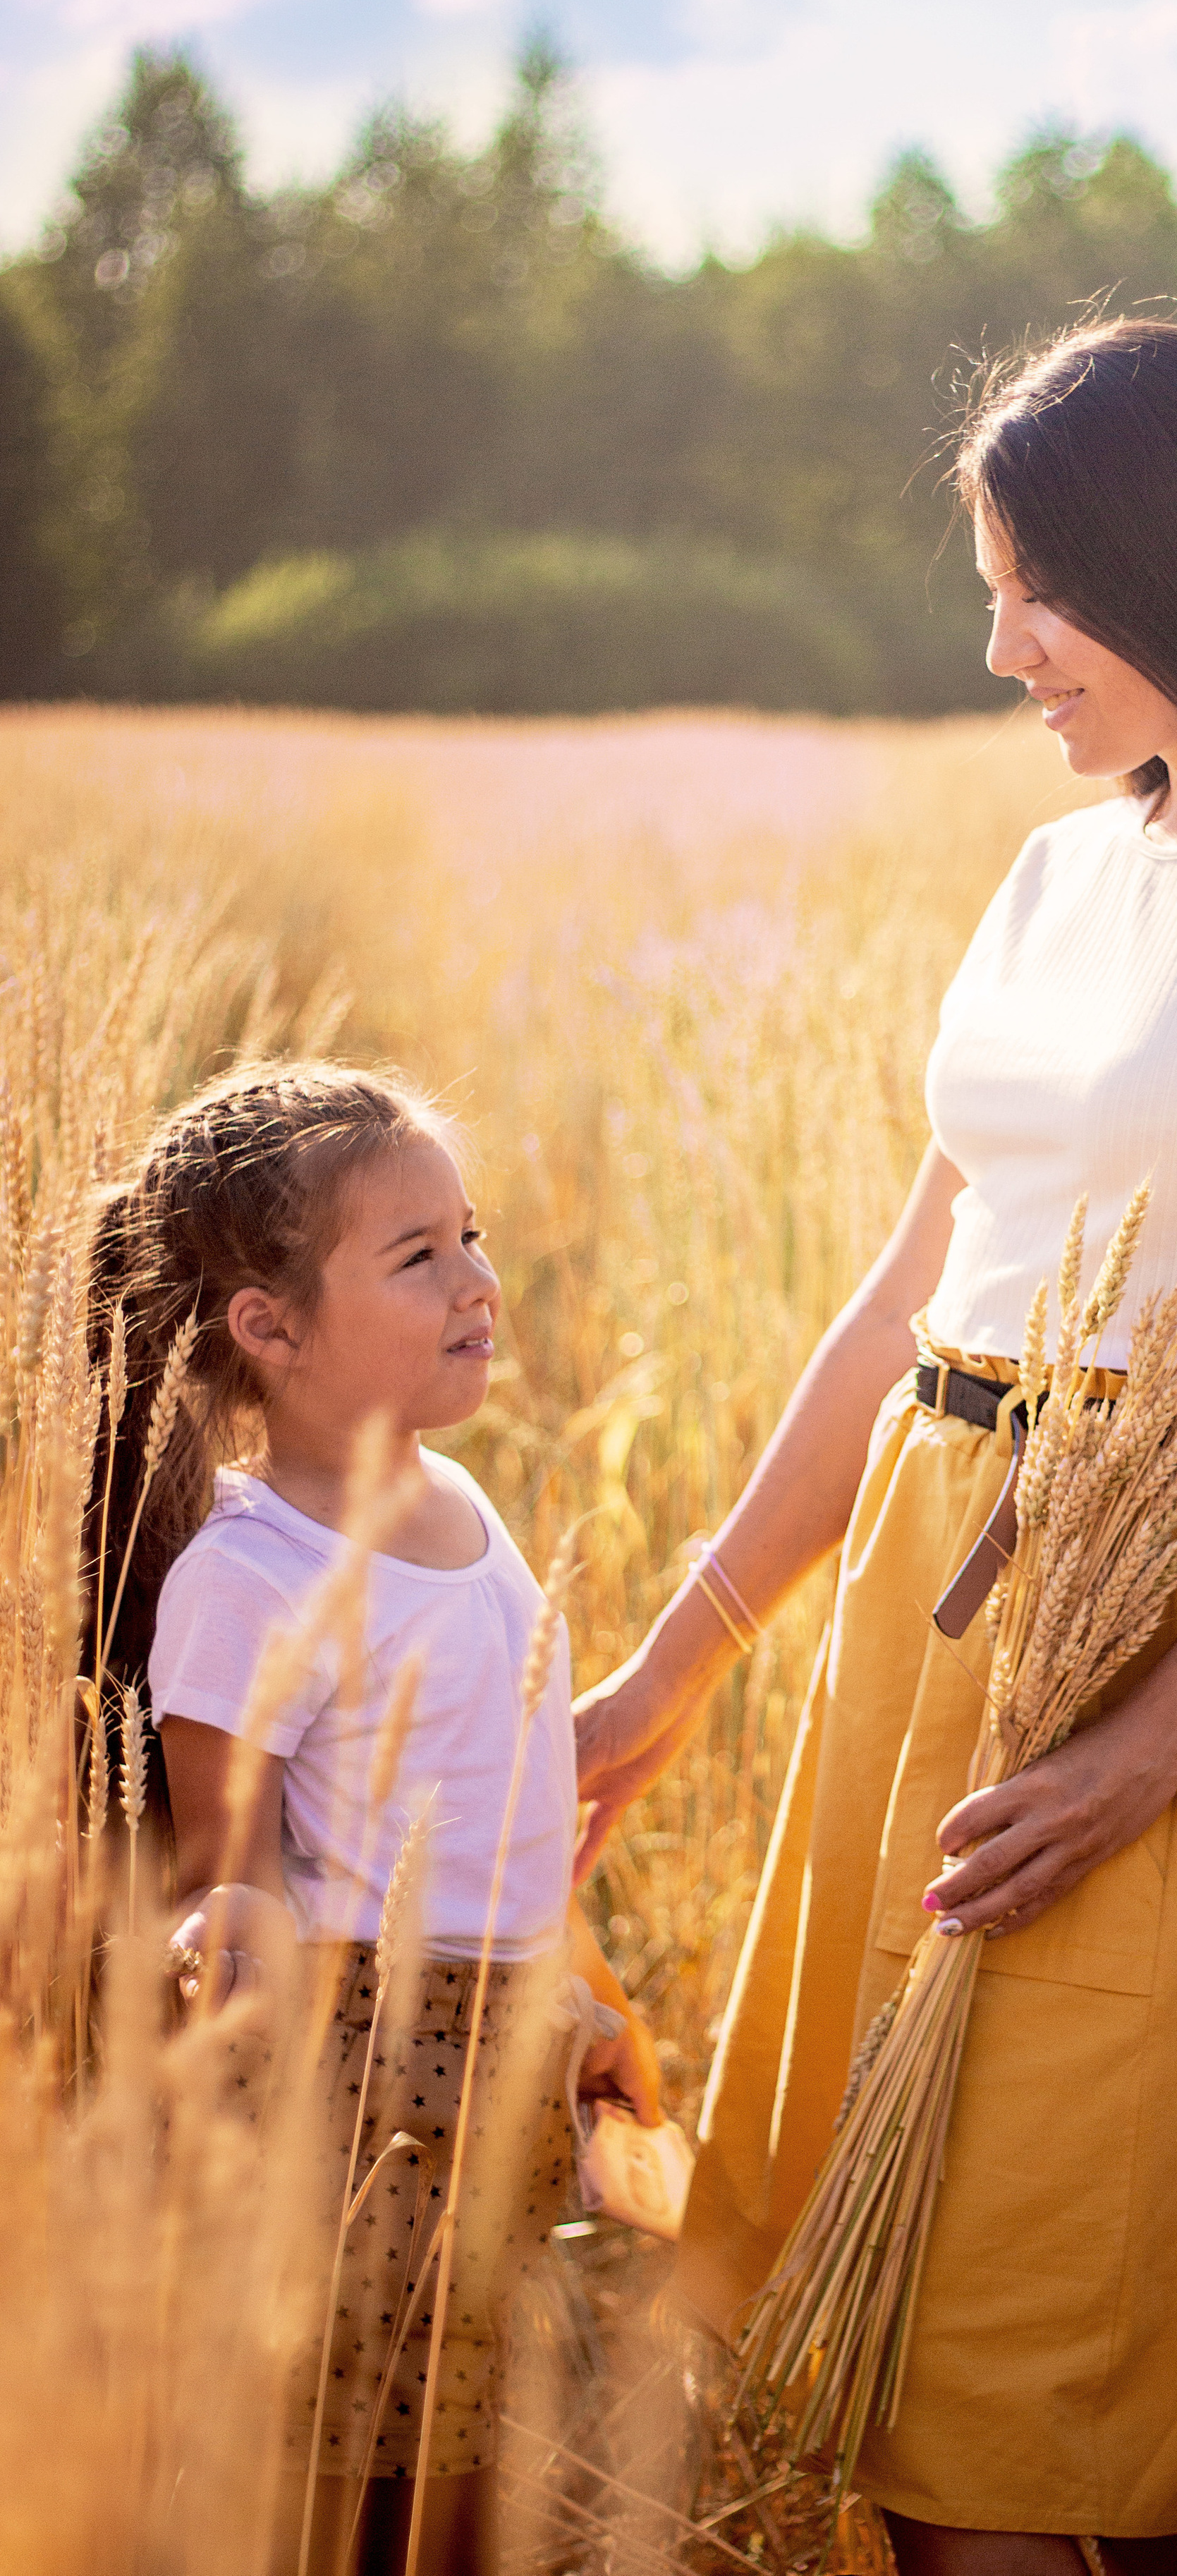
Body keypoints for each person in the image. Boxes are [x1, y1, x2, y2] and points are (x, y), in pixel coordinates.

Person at [571, 318, 1177, 2572]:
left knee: (1042, 2343)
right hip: (929, 1584)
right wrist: (675, 1666)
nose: (1003, 647)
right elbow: (910, 1303)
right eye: (996, 589)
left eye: (1043, 592)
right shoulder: (1054, 874)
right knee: (879, 2319)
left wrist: (1158, 1737)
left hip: (1172, 1618)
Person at [91, 1060, 658, 2576]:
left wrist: (577, 1997)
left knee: (475, 2445)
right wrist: (237, 1934)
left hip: (504, 2062)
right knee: (336, 2469)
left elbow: (501, 1811)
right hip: (361, 2078)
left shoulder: (463, 1504)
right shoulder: (251, 1574)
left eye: (471, 1235)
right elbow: (227, 1864)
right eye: (418, 1255)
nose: (478, 1281)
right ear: (268, 1329)